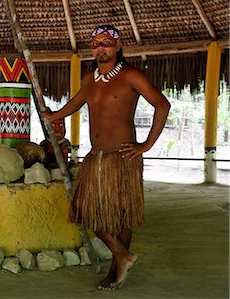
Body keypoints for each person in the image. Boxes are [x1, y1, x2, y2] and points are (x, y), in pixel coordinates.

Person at [41, 25, 170, 290]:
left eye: (106, 42)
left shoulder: (131, 75)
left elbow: (162, 104)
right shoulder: (90, 79)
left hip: (122, 156)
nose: (101, 48)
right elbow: (76, 103)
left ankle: (118, 267)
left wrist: (146, 145)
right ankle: (122, 256)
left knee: (122, 216)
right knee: (84, 210)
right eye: (96, 43)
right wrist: (53, 116)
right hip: (95, 155)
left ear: (118, 46)